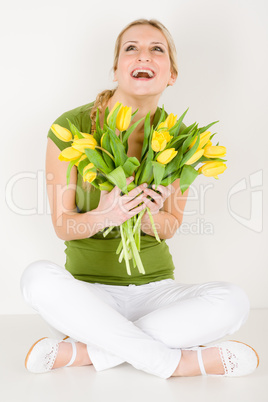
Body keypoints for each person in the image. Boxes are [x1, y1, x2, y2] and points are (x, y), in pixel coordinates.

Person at [20, 18, 259, 379]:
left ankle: (86, 352)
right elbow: (63, 226)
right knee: (36, 279)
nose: (142, 55)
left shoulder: (180, 139)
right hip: (89, 295)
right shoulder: (70, 128)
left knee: (235, 302)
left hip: (157, 294)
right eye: (130, 48)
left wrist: (145, 216)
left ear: (171, 74)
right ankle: (178, 364)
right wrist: (107, 215)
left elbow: (170, 226)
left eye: (156, 49)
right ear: (116, 68)